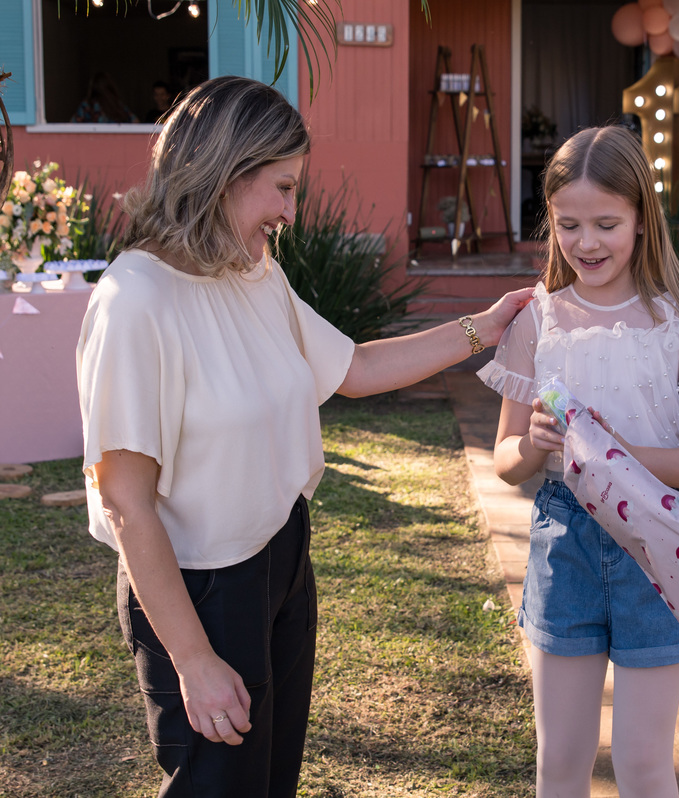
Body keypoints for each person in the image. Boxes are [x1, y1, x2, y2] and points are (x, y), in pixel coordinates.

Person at [76, 75, 532, 797]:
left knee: (269, 782)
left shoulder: (253, 273)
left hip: (283, 558)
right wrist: (194, 659)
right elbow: (126, 499)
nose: (289, 212)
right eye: (282, 188)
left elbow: (353, 367)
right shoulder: (136, 300)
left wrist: (486, 326)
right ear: (225, 172)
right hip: (199, 587)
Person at [478, 125, 679, 797]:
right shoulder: (535, 322)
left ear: (640, 219)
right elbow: (506, 460)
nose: (587, 242)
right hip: (564, 546)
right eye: (569, 224)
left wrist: (616, 454)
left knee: (643, 763)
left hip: (658, 550)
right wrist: (534, 443)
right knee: (560, 762)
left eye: (606, 223)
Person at [70, 71, 139, 123]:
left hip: (92, 141)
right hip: (116, 141)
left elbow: (71, 126)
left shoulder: (87, 106)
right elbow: (135, 122)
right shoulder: (116, 105)